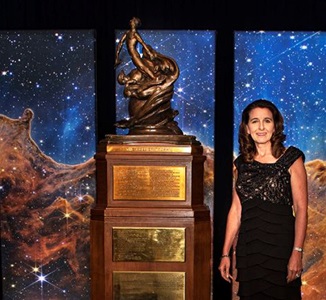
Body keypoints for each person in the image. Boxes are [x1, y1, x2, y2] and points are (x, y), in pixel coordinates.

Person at [218, 99, 308, 299]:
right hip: (250, 250)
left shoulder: (292, 159)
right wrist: (225, 254)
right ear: (247, 128)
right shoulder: (241, 164)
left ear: (275, 126)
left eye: (266, 121)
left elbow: (301, 209)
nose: (261, 127)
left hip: (281, 249)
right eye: (254, 121)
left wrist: (297, 251)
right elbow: (236, 210)